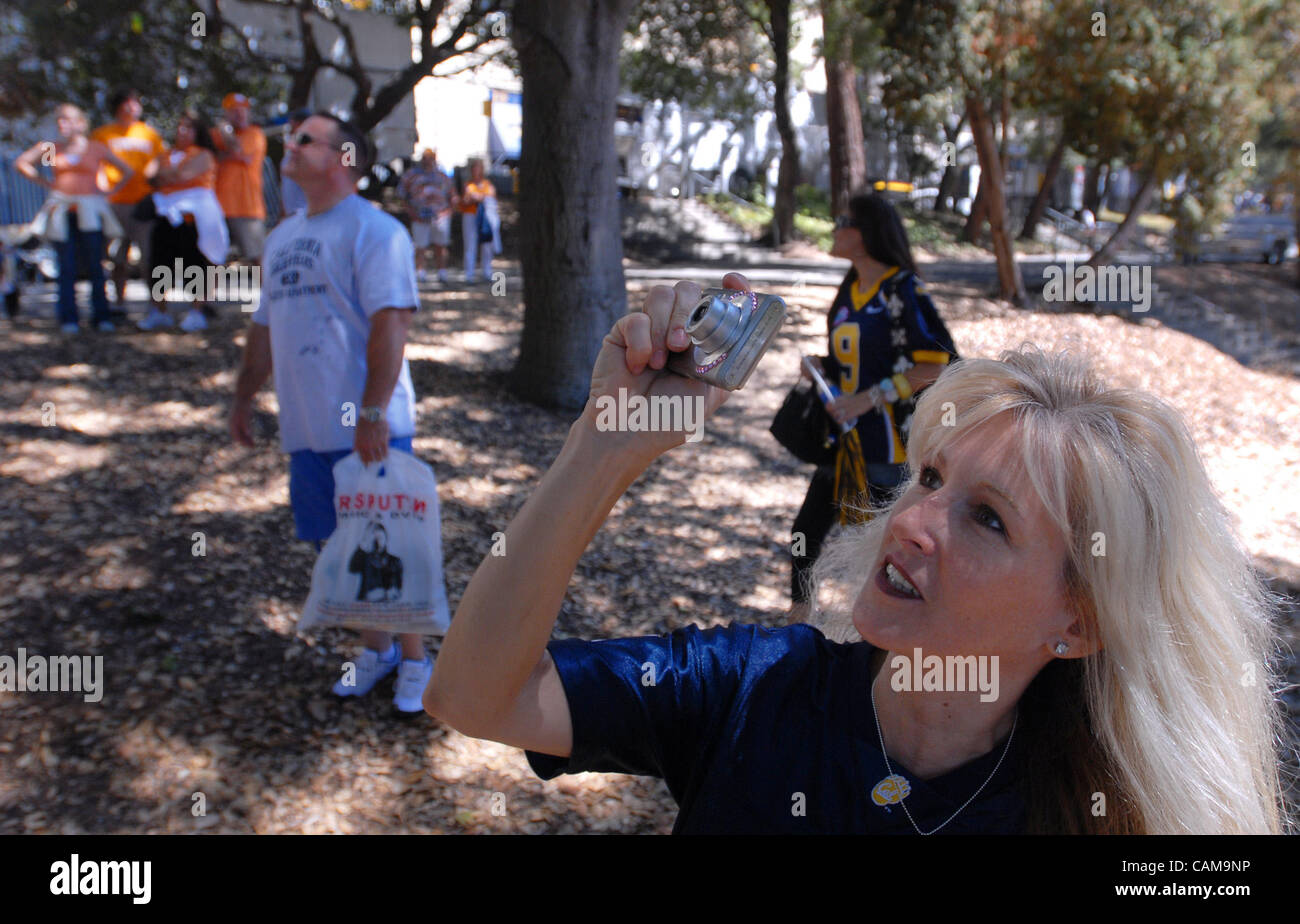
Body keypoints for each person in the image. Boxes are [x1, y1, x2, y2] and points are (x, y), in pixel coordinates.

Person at [423, 279, 1289, 834]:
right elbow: (475, 696)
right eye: (931, 477)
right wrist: (606, 445)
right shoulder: (750, 692)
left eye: (986, 519)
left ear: (1080, 621)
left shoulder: (1097, 816)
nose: (915, 521)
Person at [229, 112, 444, 713]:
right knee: (335, 548)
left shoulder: (376, 231)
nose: (287, 147)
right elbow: (264, 326)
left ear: (344, 159)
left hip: (370, 426)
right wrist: (244, 394)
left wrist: (373, 411)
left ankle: (415, 661)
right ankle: (374, 650)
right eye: (290, 138)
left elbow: (390, 324)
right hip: (307, 426)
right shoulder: (281, 237)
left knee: (389, 541)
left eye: (304, 139)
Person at [789, 192, 956, 618]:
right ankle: (795, 634)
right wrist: (820, 368)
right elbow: (855, 359)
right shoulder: (850, 289)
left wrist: (867, 399)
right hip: (844, 445)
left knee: (882, 553)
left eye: (844, 220)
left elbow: (937, 363)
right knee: (804, 536)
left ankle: (878, 646)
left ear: (865, 235)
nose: (834, 226)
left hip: (888, 448)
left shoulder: (901, 289)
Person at [14, 103, 134, 333]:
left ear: (81, 123)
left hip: (90, 213)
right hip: (63, 214)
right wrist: (44, 182)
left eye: (68, 119)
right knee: (66, 266)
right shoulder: (53, 150)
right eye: (60, 120)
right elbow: (23, 163)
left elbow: (126, 170)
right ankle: (69, 318)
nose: (62, 124)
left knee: (95, 266)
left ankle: (101, 316)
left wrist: (108, 191)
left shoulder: (95, 149)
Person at [137, 110, 228, 332]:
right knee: (159, 265)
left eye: (188, 127)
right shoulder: (166, 154)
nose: (182, 131)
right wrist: (167, 174)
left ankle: (197, 312)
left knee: (196, 266)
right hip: (165, 216)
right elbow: (149, 175)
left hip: (192, 220)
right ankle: (159, 311)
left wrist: (166, 175)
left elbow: (180, 175)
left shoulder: (204, 155)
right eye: (180, 126)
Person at [91, 88, 168, 311]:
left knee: (150, 258)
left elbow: (161, 161)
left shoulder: (150, 134)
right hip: (114, 205)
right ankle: (119, 304)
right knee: (117, 258)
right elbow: (93, 163)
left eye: (136, 102)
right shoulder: (102, 134)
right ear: (119, 106)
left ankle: (158, 307)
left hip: (144, 204)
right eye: (128, 103)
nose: (133, 107)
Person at [213, 93, 267, 263]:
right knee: (212, 259)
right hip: (218, 207)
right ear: (225, 113)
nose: (239, 114)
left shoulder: (255, 134)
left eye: (242, 110)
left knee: (258, 259)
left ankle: (268, 290)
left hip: (247, 207)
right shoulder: (215, 135)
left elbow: (239, 153)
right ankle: (208, 291)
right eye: (233, 110)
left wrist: (226, 134)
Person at [398, 149, 457, 285]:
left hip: (439, 217)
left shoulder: (442, 176)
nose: (428, 160)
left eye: (430, 158)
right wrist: (411, 212)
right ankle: (420, 272)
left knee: (440, 245)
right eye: (425, 157)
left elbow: (453, 196)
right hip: (419, 216)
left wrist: (447, 212)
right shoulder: (411, 175)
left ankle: (442, 272)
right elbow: (402, 195)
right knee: (420, 246)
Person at [457, 157, 498, 284]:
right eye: (473, 167)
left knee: (486, 244)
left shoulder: (487, 184)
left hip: (484, 218)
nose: (475, 170)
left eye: (478, 167)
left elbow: (490, 196)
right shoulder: (468, 185)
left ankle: (487, 271)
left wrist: (478, 197)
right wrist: (475, 198)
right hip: (470, 216)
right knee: (470, 245)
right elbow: (465, 200)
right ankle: (469, 274)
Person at [279, 108, 310, 218]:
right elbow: (285, 189)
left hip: (307, 216)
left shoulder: (312, 154)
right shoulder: (288, 156)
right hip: (292, 217)